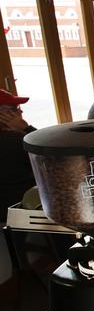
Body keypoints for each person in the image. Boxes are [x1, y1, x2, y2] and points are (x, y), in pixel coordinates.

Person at [0, 89, 36, 223]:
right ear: (3, 114)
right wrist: (27, 129)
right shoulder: (17, 140)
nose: (21, 112)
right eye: (15, 108)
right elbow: (54, 157)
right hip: (24, 214)